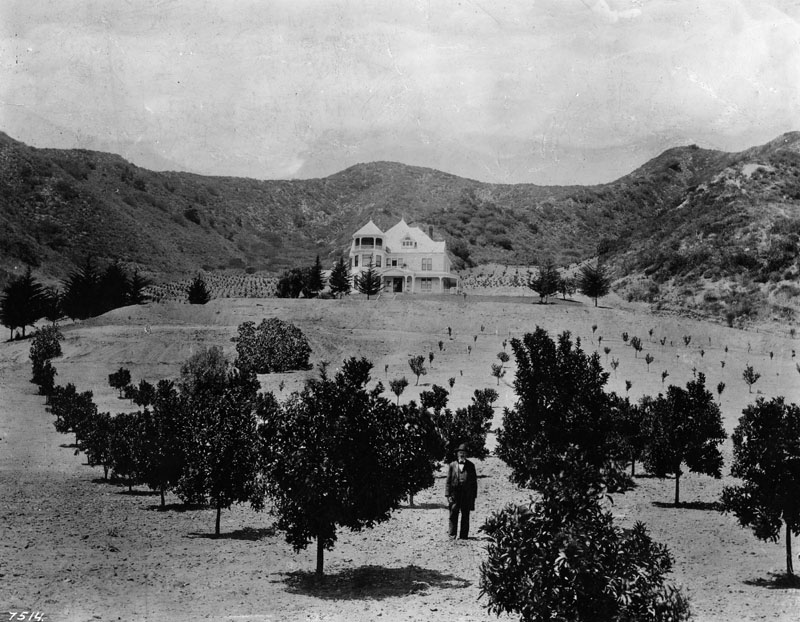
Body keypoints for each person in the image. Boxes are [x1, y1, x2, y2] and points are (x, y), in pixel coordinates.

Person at [445, 443, 478, 540]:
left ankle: (464, 536)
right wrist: (448, 494)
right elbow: (448, 481)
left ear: (466, 454)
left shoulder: (471, 466)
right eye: (460, 452)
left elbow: (474, 482)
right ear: (457, 454)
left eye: (463, 453)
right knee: (453, 514)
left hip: (466, 494)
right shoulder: (452, 465)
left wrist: (473, 496)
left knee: (465, 515)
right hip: (455, 494)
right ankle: (452, 535)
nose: (462, 454)